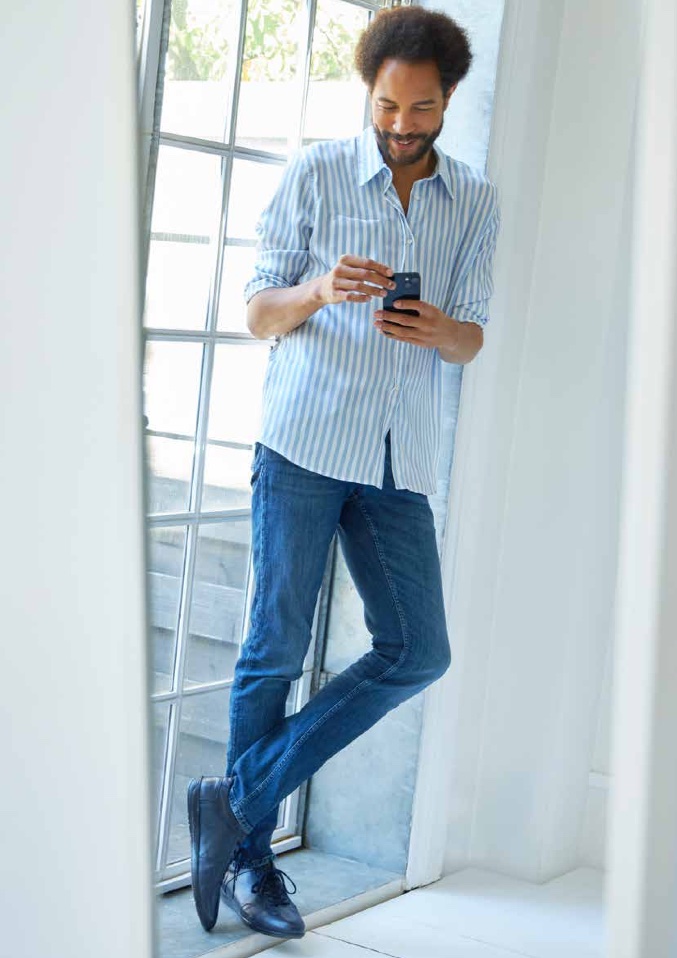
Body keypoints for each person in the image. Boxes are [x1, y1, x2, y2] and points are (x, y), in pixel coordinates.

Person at [187, 5, 501, 939]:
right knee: (274, 650)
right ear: (368, 93)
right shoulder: (317, 172)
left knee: (418, 650)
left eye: (422, 107)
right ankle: (250, 864)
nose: (402, 124)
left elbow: (471, 339)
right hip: (305, 441)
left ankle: (231, 800)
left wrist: (439, 328)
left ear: (449, 97)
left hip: (400, 456)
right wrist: (320, 288)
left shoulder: (474, 200)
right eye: (387, 105)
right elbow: (257, 313)